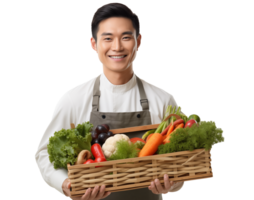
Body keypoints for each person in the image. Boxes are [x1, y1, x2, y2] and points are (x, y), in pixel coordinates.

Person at [33, 2, 185, 200]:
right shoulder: (72, 99)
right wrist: (65, 184)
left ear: (139, 41)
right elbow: (43, 153)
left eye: (125, 37)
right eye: (108, 38)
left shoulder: (164, 99)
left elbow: (184, 156)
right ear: (93, 44)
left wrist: (173, 184)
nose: (117, 47)